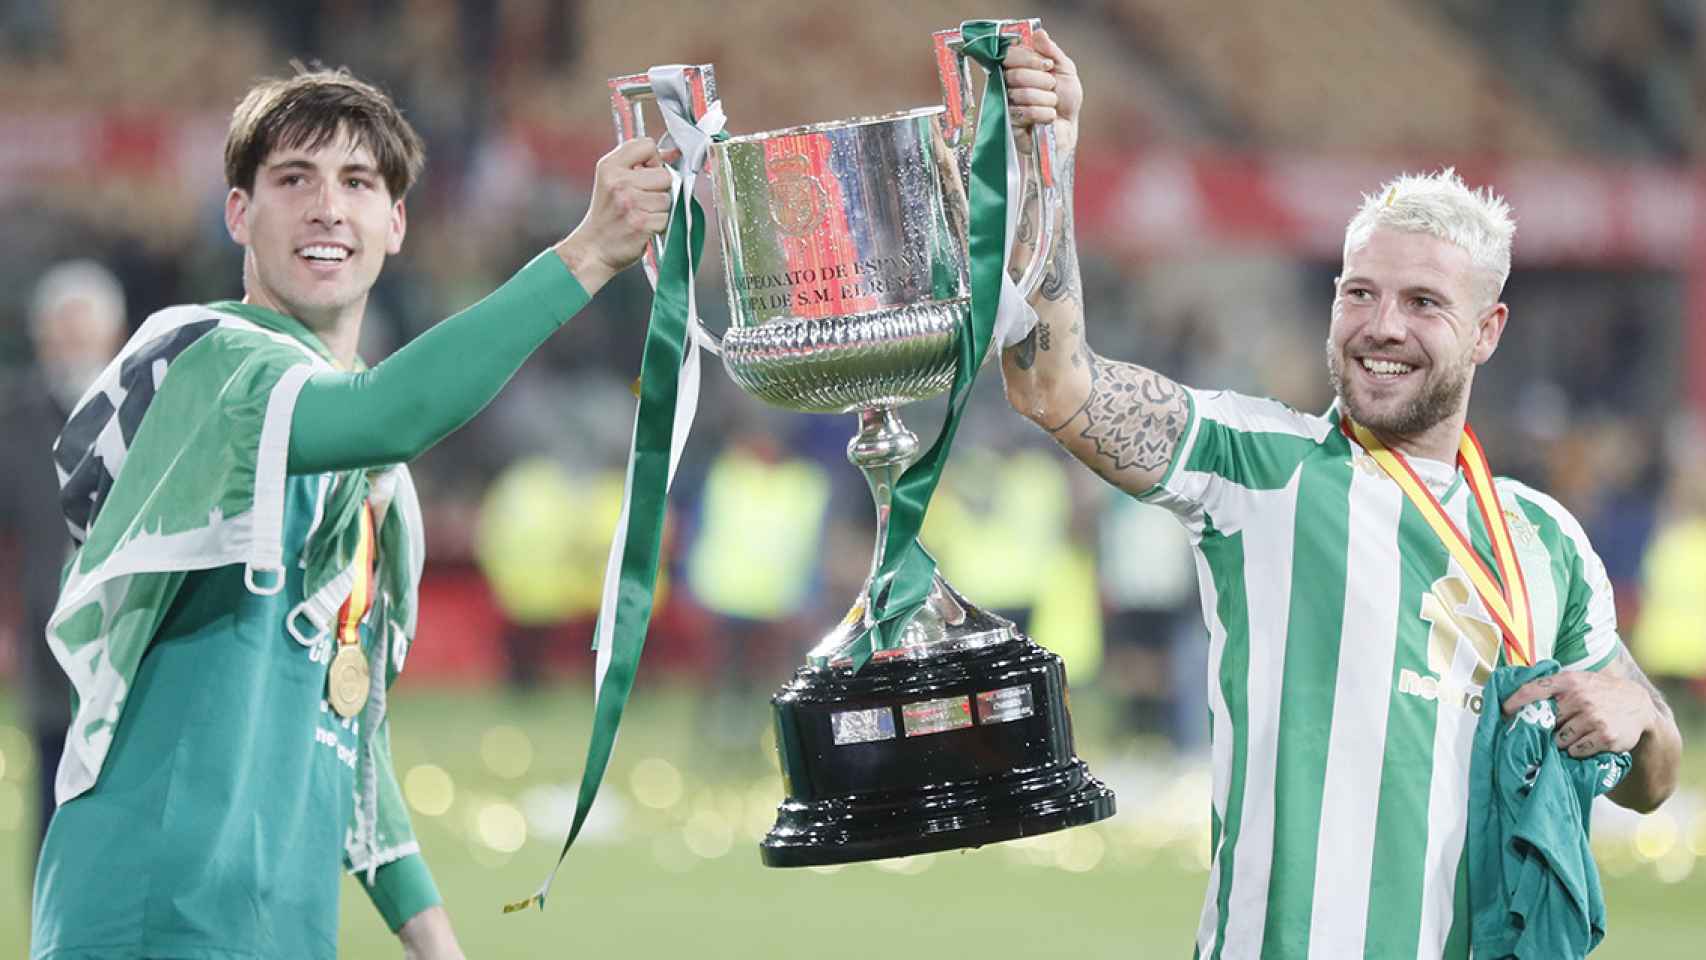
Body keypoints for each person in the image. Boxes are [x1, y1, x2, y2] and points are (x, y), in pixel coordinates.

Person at [998, 32, 1683, 958]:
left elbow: (1651, 773)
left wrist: (1640, 717)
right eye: (1358, 293)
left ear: (1488, 331)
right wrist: (1049, 159)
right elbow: (1056, 384)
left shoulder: (1546, 540)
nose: (1381, 327)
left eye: (1423, 303)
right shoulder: (1261, 467)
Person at [30, 65, 672, 959]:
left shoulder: (370, 481)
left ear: (396, 224)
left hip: (281, 926)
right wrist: (590, 253)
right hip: (155, 914)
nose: (328, 208)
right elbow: (389, 411)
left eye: (358, 183)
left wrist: (435, 940)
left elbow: (348, 737)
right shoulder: (209, 363)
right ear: (238, 215)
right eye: (294, 179)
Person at [0, 260, 126, 869]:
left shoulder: (146, 412)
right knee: (53, 793)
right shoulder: (14, 419)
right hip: (48, 644)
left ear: (114, 334)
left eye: (84, 330)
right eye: (60, 329)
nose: (71, 343)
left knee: (129, 792)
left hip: (132, 640)